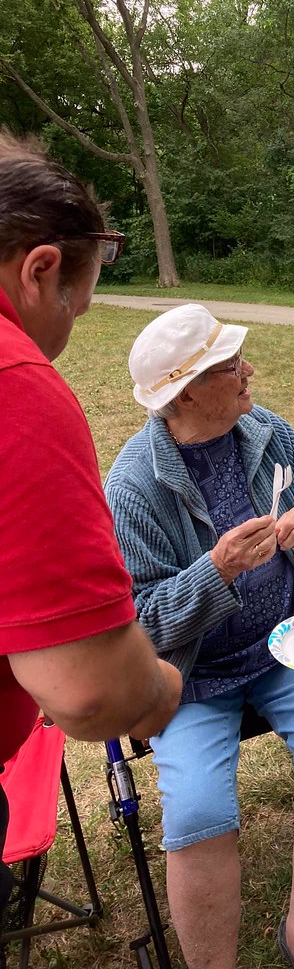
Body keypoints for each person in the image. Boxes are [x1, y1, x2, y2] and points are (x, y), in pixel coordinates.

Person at [104, 303, 294, 969]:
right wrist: (216, 570)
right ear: (184, 395)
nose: (248, 369)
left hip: (287, 647)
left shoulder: (262, 430)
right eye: (230, 365)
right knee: (197, 811)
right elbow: (141, 623)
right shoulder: (134, 486)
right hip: (190, 678)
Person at [0, 133, 182, 912]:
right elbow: (86, 689)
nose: (69, 327)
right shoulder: (15, 384)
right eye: (76, 302)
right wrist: (161, 688)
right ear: (40, 270)